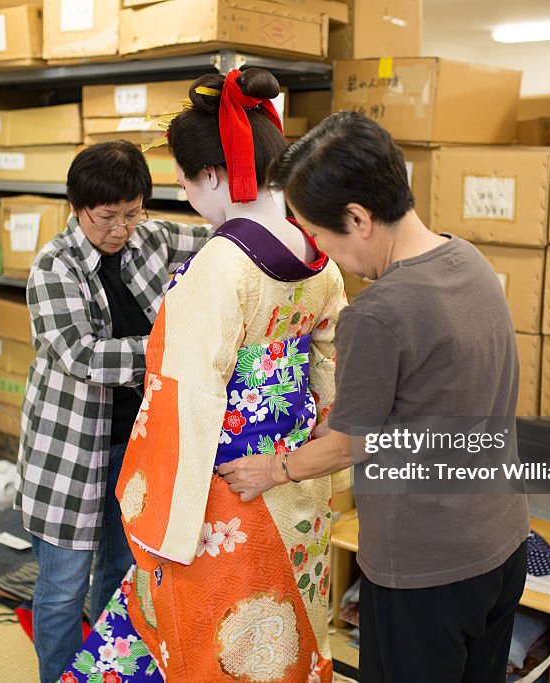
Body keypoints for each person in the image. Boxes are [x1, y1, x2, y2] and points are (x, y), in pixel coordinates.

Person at [219, 112, 531, 682]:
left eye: (318, 233)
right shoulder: (469, 261)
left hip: (425, 569)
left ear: (358, 218)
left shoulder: (377, 313)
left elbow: (347, 446)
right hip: (502, 545)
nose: (318, 249)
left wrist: (274, 469)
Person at [60, 68, 347, 683]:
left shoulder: (221, 266)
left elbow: (185, 395)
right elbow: (330, 365)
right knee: (285, 623)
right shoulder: (316, 252)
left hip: (218, 485)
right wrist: (311, 446)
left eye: (189, 181)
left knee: (207, 633)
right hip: (293, 476)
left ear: (212, 175)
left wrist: (167, 513)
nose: (190, 196)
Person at [15, 140, 213, 683]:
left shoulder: (153, 239)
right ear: (78, 207)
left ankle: (101, 674)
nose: (121, 229)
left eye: (132, 213)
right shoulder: (53, 269)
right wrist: (170, 346)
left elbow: (224, 241)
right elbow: (81, 356)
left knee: (122, 571)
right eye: (107, 218)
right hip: (70, 451)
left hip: (138, 444)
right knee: (62, 586)